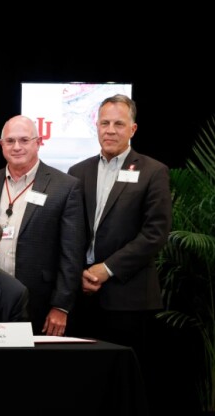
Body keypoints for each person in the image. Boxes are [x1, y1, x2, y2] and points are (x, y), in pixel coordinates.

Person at [66, 94, 172, 351]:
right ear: (97, 127)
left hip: (129, 298)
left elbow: (155, 233)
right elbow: (71, 230)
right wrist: (81, 272)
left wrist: (107, 269)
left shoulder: (153, 171)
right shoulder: (77, 172)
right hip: (82, 295)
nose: (110, 130)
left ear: (133, 129)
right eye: (104, 123)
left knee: (124, 381)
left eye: (118, 124)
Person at [0, 115, 85, 336]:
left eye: (24, 140)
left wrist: (61, 305)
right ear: (1, 144)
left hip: (39, 301)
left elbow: (72, 253)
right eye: (10, 141)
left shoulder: (65, 187)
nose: (17, 147)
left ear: (38, 142)